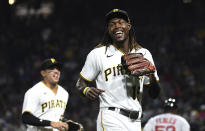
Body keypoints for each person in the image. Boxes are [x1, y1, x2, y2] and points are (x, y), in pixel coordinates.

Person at [75, 9, 160, 131]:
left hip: (136, 121)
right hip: (111, 117)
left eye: (120, 22)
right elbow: (80, 83)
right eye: (112, 24)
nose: (116, 26)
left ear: (128, 26)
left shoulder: (144, 53)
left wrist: (151, 75)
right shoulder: (98, 54)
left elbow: (154, 94)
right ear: (108, 30)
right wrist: (85, 90)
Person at [22, 58, 69, 131]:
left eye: (58, 69)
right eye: (52, 68)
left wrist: (66, 123)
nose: (56, 71)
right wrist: (50, 123)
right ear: (43, 73)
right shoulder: (34, 91)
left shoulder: (64, 93)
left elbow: (54, 115)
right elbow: (26, 118)